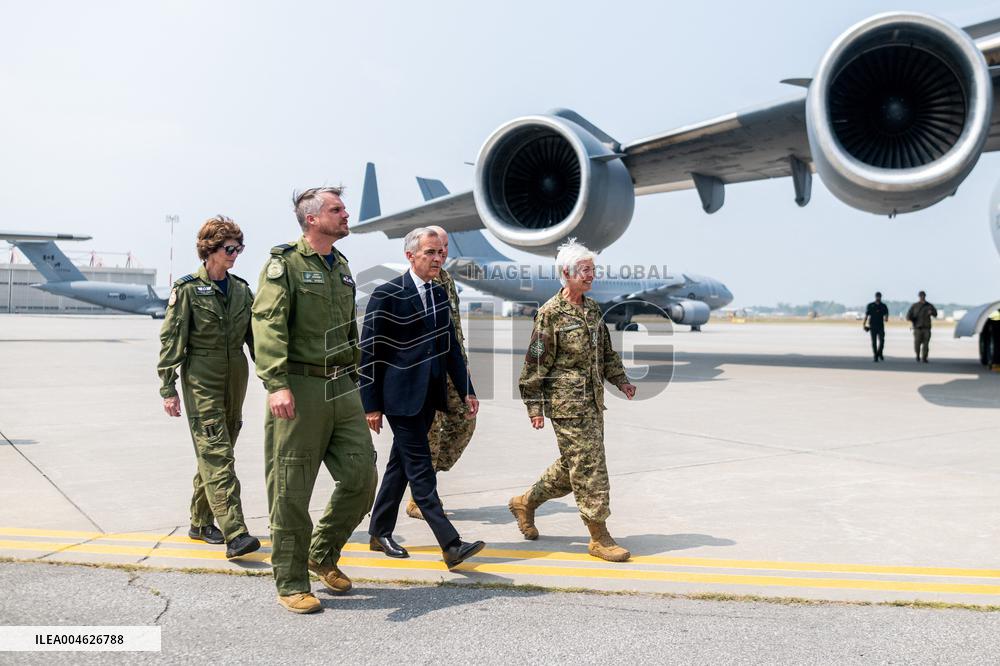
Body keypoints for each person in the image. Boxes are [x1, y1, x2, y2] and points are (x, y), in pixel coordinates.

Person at [252, 187, 378, 614]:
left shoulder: (340, 266)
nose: (346, 215)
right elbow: (267, 323)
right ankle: (291, 582)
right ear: (312, 219)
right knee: (291, 489)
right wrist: (276, 383)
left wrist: (358, 379)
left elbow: (349, 331)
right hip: (300, 386)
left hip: (342, 386)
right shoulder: (284, 264)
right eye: (336, 209)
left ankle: (321, 552)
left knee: (362, 477)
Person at [360, 227, 484, 570]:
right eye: (430, 252)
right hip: (399, 398)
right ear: (410, 255)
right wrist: (371, 404)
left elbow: (451, 349)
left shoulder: (438, 294)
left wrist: (467, 389)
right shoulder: (387, 294)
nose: (437, 258)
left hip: (430, 396)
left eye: (440, 253)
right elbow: (369, 352)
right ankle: (451, 544)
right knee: (420, 468)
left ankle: (379, 531)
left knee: (399, 466)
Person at [509, 240, 637, 563]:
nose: (591, 275)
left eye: (593, 270)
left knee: (573, 467)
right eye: (585, 270)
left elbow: (605, 352)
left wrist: (621, 379)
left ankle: (525, 502)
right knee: (590, 466)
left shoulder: (592, 309)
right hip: (566, 406)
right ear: (566, 273)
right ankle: (599, 536)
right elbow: (535, 364)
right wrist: (534, 407)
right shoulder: (550, 314)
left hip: (592, 402)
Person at [157, 215, 261, 560]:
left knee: (219, 449)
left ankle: (200, 522)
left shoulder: (242, 290)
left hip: (236, 377)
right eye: (229, 249)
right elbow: (172, 339)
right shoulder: (187, 290)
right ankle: (236, 532)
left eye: (239, 248)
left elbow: (256, 341)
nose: (235, 254)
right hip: (202, 378)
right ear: (210, 249)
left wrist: (276, 379)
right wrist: (168, 387)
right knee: (217, 452)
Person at [405, 225, 477, 521]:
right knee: (430, 434)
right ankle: (420, 497)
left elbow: (453, 327)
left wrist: (463, 370)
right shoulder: (415, 282)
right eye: (436, 248)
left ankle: (426, 476)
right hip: (425, 371)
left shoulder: (446, 280)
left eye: (445, 247)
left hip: (452, 366)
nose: (442, 253)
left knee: (465, 422)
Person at [906, 291, 938, 363]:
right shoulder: (915, 306)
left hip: (926, 328)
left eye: (923, 296)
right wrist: (912, 318)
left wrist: (931, 312)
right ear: (919, 296)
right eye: (921, 296)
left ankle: (924, 357)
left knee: (926, 344)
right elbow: (908, 316)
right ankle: (917, 355)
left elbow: (935, 314)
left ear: (925, 296)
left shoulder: (929, 306)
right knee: (917, 344)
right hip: (917, 328)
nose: (922, 297)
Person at [863, 291, 889, 362]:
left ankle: (879, 353)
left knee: (882, 341)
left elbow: (886, 313)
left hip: (880, 326)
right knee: (874, 342)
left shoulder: (883, 306)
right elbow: (866, 315)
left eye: (879, 296)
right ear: (875, 297)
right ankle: (875, 356)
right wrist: (864, 324)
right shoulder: (870, 305)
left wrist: (886, 318)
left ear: (881, 297)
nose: (878, 298)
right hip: (872, 326)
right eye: (877, 296)